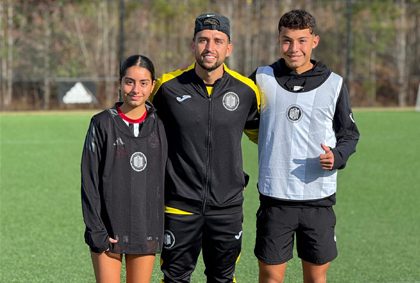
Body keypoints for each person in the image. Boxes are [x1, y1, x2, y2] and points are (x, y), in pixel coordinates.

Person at [250, 9, 360, 283]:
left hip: (318, 199)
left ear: (315, 41)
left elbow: (349, 134)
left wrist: (336, 157)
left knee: (315, 277)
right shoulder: (262, 78)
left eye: (301, 40)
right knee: (271, 276)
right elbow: (240, 120)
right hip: (275, 197)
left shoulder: (334, 84)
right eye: (287, 40)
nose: (294, 48)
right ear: (279, 41)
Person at [152, 12, 260, 283]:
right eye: (203, 40)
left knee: (222, 278)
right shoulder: (167, 87)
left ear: (229, 47)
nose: (210, 48)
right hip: (179, 204)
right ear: (193, 45)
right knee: (175, 278)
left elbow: (263, 137)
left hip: (226, 207)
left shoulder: (247, 91)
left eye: (218, 41)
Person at [81, 54, 167, 283]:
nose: (136, 89)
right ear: (119, 83)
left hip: (145, 226)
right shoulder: (101, 123)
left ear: (152, 85)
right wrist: (95, 229)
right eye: (129, 81)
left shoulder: (161, 126)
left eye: (143, 83)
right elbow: (89, 181)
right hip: (108, 229)